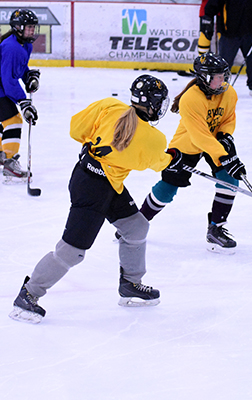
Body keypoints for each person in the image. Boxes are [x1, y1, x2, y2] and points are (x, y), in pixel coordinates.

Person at [9, 74, 183, 324]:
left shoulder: (109, 106)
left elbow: (76, 129)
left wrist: (93, 145)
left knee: (136, 226)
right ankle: (29, 294)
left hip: (91, 178)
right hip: (93, 191)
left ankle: (131, 284)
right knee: (72, 251)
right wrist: (172, 160)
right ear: (154, 104)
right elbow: (156, 163)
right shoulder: (152, 138)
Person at [137, 53, 247, 255]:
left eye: (223, 76)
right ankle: (136, 223)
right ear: (204, 78)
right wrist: (224, 155)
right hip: (188, 143)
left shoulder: (229, 92)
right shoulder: (191, 99)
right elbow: (199, 137)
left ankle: (216, 228)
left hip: (215, 140)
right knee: (168, 187)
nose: (222, 81)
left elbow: (228, 118)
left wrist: (225, 136)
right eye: (216, 77)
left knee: (230, 180)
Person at [0, 9, 40, 181]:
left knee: (5, 122)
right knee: (13, 120)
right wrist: (23, 101)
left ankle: (3, 154)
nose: (32, 31)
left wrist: (28, 76)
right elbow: (8, 80)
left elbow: (20, 68)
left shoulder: (25, 44)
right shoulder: (11, 47)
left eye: (33, 27)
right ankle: (9, 161)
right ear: (18, 27)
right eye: (29, 27)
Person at [202, 0, 252, 95]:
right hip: (229, 32)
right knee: (224, 62)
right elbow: (212, 5)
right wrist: (208, 18)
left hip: (251, 30)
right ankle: (219, 85)